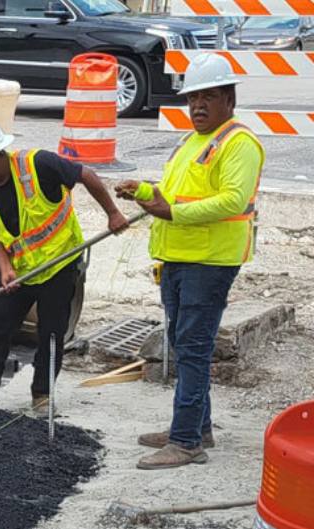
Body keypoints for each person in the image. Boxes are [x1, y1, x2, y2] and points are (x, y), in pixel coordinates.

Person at [114, 53, 263, 470]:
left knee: (193, 350)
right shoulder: (192, 140)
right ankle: (199, 428)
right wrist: (143, 190)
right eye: (193, 98)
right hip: (180, 256)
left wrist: (171, 212)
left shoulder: (238, 143)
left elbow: (233, 199)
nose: (198, 106)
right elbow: (174, 191)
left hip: (209, 261)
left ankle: (185, 441)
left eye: (208, 98)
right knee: (183, 345)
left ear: (228, 100)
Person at [0, 119, 129, 413]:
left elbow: (88, 175)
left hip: (60, 265)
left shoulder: (39, 164)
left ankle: (42, 395)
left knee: (51, 332)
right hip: (23, 271)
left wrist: (113, 213)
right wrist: (4, 267)